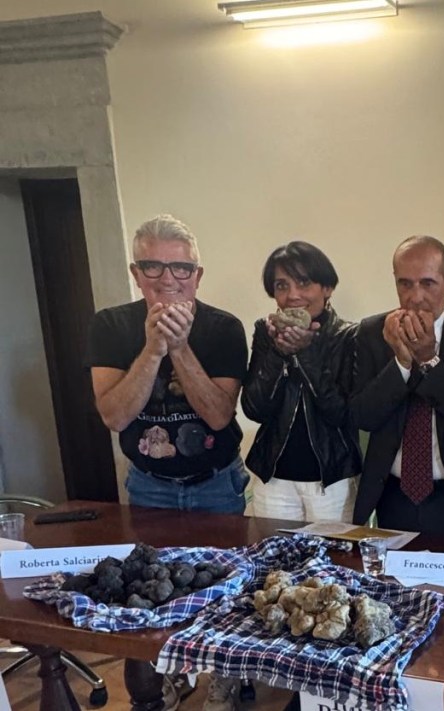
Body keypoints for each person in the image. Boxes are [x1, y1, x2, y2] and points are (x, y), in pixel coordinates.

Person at [87, 214, 248, 710]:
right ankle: (169, 673)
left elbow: (219, 415)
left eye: (181, 269)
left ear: (198, 276)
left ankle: (223, 676)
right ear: (136, 273)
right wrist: (154, 348)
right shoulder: (111, 325)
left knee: (225, 589)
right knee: (153, 590)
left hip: (216, 481)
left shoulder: (224, 328)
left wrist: (179, 347)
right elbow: (114, 415)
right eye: (153, 266)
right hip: (148, 484)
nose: (167, 279)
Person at [350, 236, 444, 538]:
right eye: (405, 284)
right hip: (393, 494)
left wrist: (429, 360)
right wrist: (401, 364)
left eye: (427, 283)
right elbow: (363, 416)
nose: (415, 296)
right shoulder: (372, 332)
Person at [241, 241, 361, 523]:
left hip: (331, 482)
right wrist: (278, 354)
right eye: (282, 285)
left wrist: (305, 354)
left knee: (332, 552)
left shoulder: (348, 336)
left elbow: (341, 414)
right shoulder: (266, 332)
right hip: (273, 479)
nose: (292, 295)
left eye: (304, 283)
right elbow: (254, 408)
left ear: (327, 288)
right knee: (272, 551)